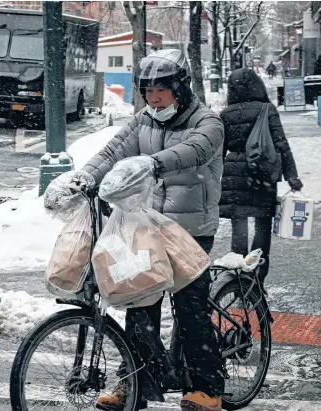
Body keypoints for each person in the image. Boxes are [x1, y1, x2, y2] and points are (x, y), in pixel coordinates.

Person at [70, 49, 225, 411]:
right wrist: (84, 176)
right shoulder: (144, 120)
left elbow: (194, 152)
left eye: (162, 90)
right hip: (147, 226)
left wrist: (152, 163)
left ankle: (208, 388)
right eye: (148, 90)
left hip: (191, 228)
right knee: (138, 305)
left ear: (181, 88)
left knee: (190, 310)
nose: (154, 98)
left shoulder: (208, 122)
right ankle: (137, 382)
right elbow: (112, 151)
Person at [219, 68, 303, 292]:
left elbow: (218, 150)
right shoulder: (267, 109)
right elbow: (281, 144)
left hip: (233, 174)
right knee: (262, 227)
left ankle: (238, 279)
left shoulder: (225, 114)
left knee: (239, 227)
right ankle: (257, 278)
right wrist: (292, 175)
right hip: (261, 174)